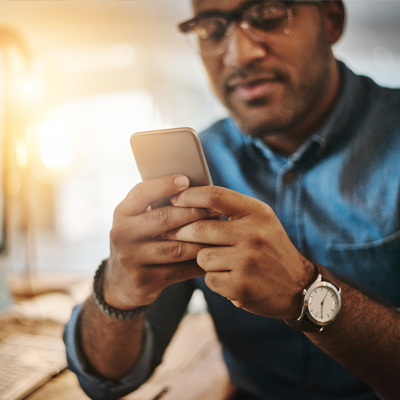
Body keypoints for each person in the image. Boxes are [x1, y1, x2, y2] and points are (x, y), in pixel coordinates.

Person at [64, 1, 400, 399]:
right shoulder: (199, 164)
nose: (239, 54)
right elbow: (105, 381)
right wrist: (117, 292)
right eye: (211, 28)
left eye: (270, 13)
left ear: (331, 19)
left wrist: (303, 292)